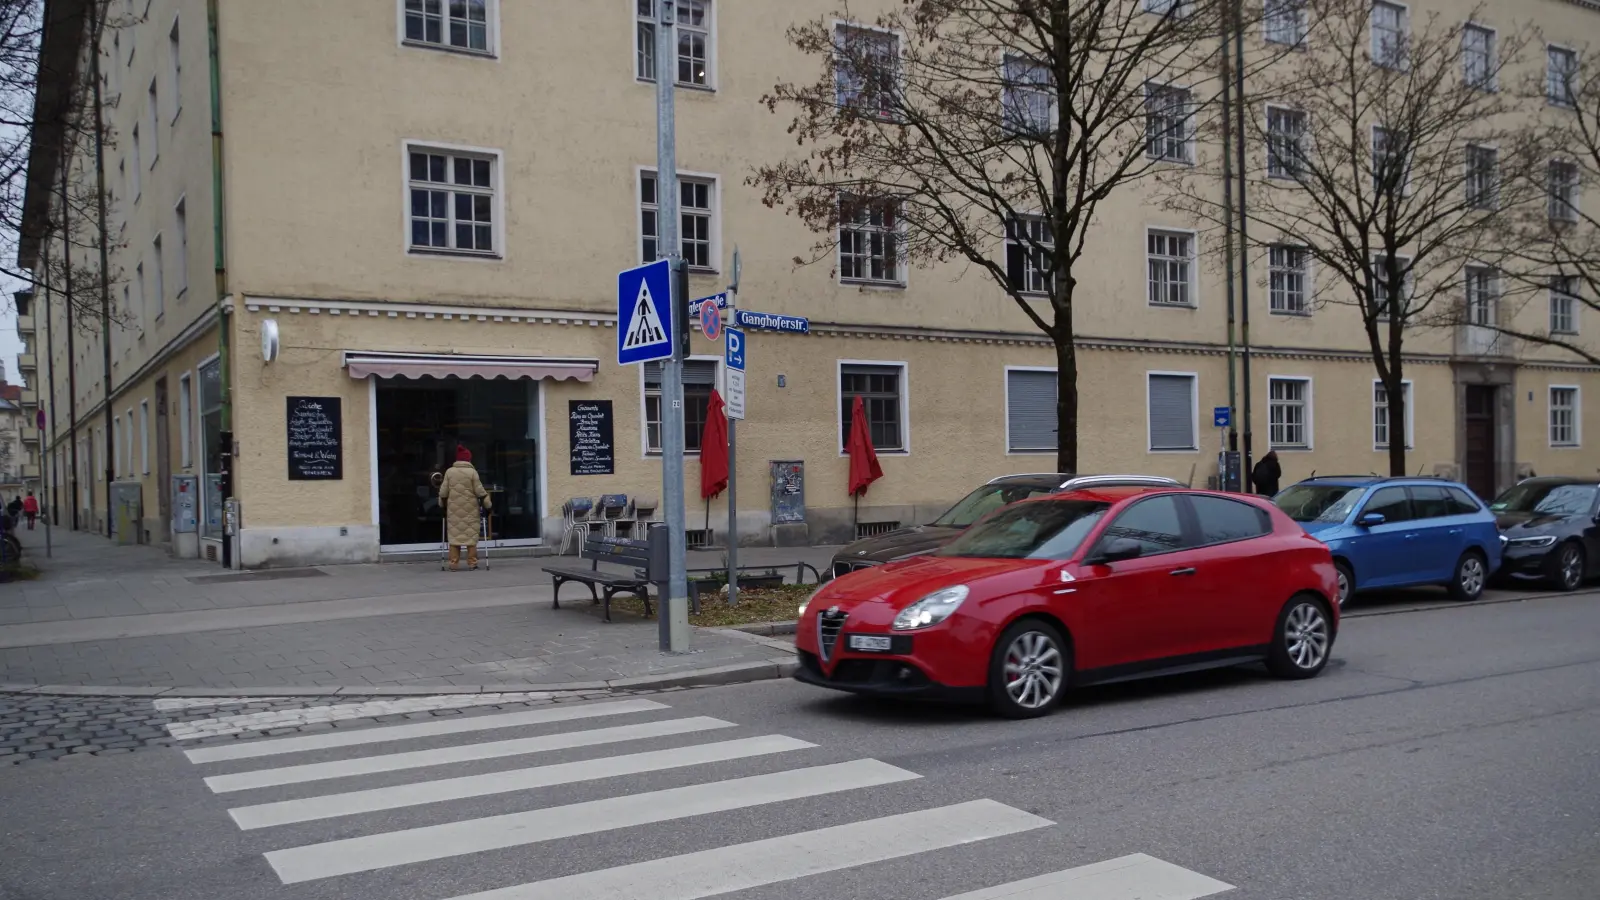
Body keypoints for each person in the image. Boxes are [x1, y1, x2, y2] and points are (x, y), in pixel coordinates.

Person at [438, 444, 490, 571]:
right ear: (468, 459)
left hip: (453, 511)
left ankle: (453, 564)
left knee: (454, 538)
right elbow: (480, 491)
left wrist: (442, 505)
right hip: (470, 511)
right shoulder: (472, 472)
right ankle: (472, 563)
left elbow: (443, 492)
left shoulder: (449, 472)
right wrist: (488, 505)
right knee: (471, 538)